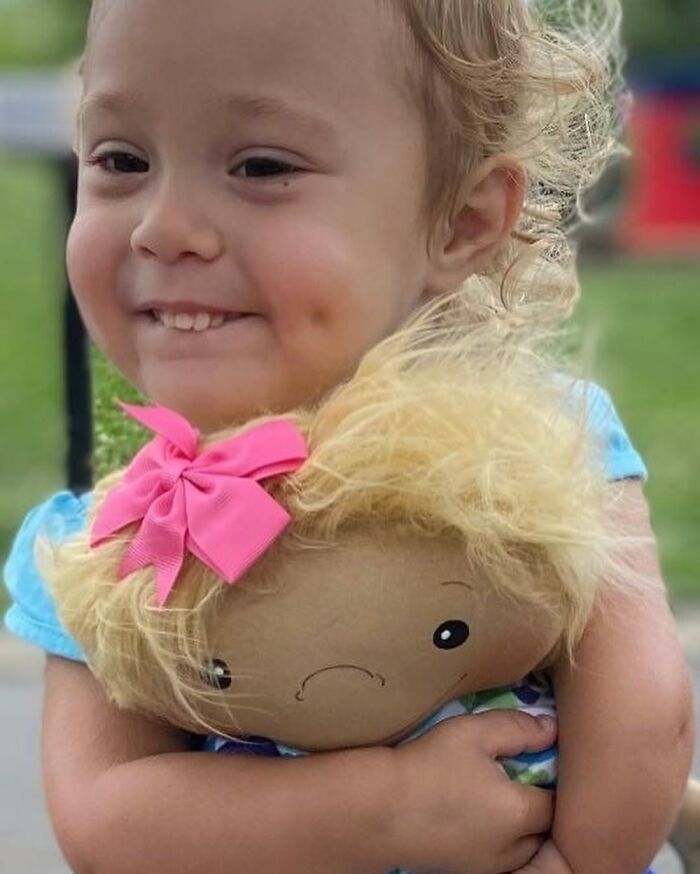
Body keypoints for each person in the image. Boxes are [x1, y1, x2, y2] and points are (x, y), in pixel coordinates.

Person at [2, 1, 693, 872]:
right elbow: (105, 819)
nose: (162, 225)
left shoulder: (537, 455)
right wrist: (385, 807)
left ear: (462, 223)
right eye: (121, 159)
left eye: (260, 165)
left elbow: (640, 714)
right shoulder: (108, 540)